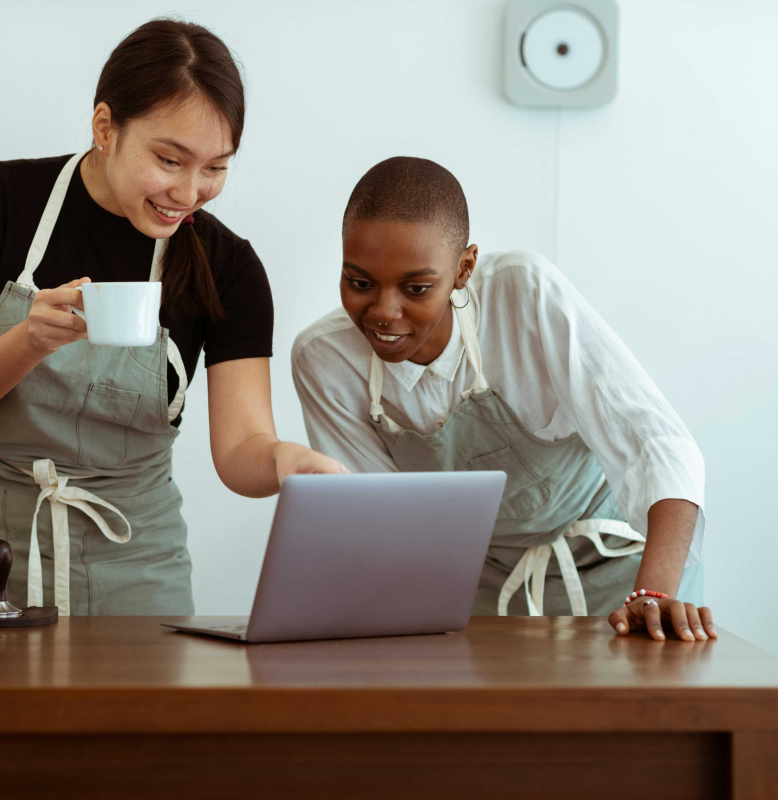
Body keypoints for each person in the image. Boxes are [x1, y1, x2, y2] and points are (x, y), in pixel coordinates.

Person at [0, 19, 345, 617]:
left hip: (138, 568)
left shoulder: (228, 266)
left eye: (215, 167)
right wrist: (28, 341)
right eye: (170, 159)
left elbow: (241, 446)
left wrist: (283, 462)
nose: (189, 192)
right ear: (105, 127)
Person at [291, 157, 714, 641]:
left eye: (417, 288)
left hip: (627, 577)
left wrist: (654, 595)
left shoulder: (523, 293)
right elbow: (386, 525)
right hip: (486, 587)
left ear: (464, 268)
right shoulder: (324, 360)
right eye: (359, 283)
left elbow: (657, 443)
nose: (384, 312)